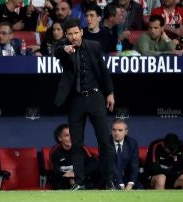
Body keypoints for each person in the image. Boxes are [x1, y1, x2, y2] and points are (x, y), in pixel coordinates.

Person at [54, 18, 115, 190]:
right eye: (70, 34)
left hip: (96, 98)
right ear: (66, 35)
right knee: (77, 144)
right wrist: (64, 49)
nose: (73, 36)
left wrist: (110, 93)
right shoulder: (64, 49)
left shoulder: (94, 46)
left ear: (81, 32)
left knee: (104, 141)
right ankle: (79, 182)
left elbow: (104, 70)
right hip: (76, 100)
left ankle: (109, 181)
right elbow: (56, 52)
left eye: (76, 32)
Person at [50, 124, 99, 189]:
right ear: (60, 138)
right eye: (67, 135)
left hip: (80, 178)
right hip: (64, 180)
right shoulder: (55, 152)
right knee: (57, 182)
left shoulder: (81, 148)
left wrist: (76, 174)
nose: (71, 138)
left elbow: (94, 163)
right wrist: (69, 179)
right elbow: (55, 172)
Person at [110, 118, 140, 190]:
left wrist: (131, 183)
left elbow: (134, 165)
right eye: (114, 130)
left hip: (127, 179)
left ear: (126, 132)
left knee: (139, 189)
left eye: (120, 130)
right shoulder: (106, 143)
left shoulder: (132, 143)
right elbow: (110, 165)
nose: (116, 133)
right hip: (111, 179)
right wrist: (120, 183)